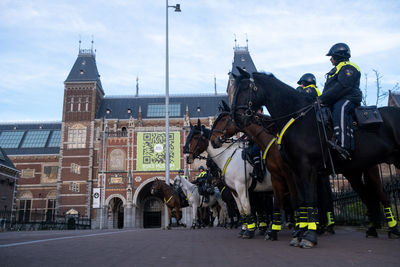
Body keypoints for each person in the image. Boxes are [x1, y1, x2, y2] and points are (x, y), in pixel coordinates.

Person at [319, 43, 362, 160]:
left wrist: (322, 98)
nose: (330, 59)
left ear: (338, 56)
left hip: (349, 98)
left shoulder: (349, 67)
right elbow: (329, 89)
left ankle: (344, 146)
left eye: (332, 56)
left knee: (340, 108)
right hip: (335, 99)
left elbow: (344, 86)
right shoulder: (336, 69)